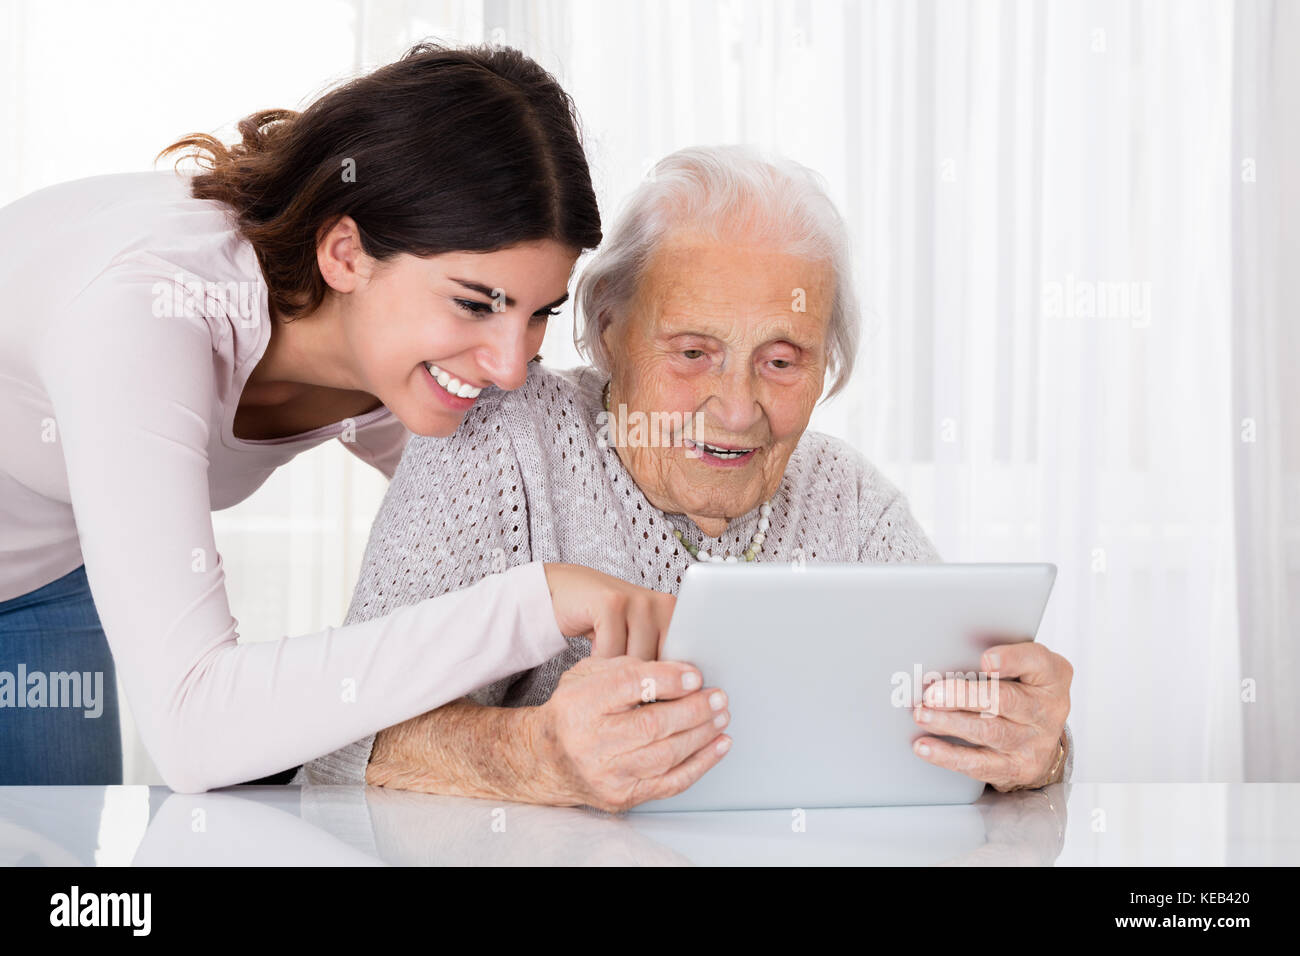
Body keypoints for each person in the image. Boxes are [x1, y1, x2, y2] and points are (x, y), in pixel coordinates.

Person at [302, 146, 1075, 811]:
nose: (737, 410)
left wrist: (1036, 751)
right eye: (693, 352)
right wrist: (534, 754)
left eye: (781, 361)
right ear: (609, 333)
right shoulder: (498, 439)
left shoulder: (851, 503)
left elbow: (976, 741)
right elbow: (335, 743)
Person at [0, 42, 677, 791]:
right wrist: (532, 605)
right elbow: (193, 731)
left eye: (536, 312)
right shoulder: (141, 315)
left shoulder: (400, 356)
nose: (510, 367)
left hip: (47, 575)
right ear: (345, 253)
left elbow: (530, 507)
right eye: (474, 303)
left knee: (49, 854)